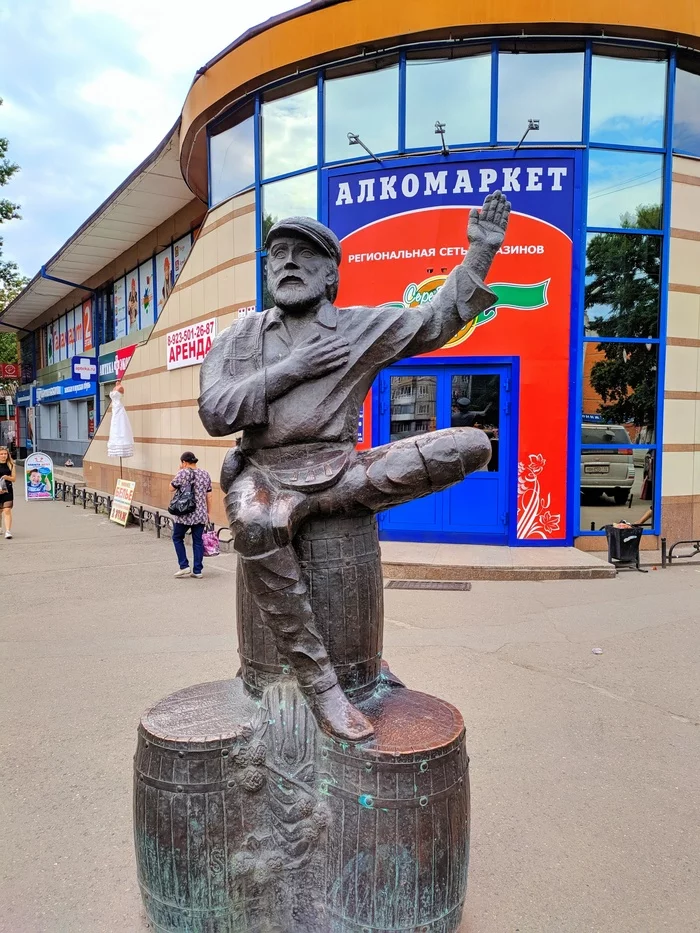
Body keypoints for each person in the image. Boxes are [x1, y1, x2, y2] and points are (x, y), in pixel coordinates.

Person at [200, 192, 510, 741]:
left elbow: (435, 321)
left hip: (342, 471)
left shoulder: (358, 328)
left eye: (305, 254)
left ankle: (323, 502)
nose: (288, 262)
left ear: (330, 277)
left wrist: (480, 255)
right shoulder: (239, 337)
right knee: (253, 524)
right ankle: (322, 687)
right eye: (279, 254)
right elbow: (216, 413)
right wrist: (290, 370)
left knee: (471, 446)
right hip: (265, 473)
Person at [170, 452, 212, 578]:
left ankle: (184, 566)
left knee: (177, 537)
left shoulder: (183, 473)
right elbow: (209, 495)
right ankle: (198, 571)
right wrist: (208, 512)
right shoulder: (205, 474)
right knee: (198, 541)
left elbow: (170, 488)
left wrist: (179, 471)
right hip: (200, 514)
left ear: (184, 462)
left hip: (184, 514)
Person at [107, 379, 134, 458]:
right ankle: (116, 445)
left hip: (119, 409)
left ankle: (121, 445)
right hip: (115, 409)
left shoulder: (121, 388)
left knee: (121, 426)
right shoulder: (114, 388)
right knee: (115, 428)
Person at [0, 446, 16, 538]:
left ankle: (8, 531)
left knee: (7, 510)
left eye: (5, 454)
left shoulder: (11, 465)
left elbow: (14, 479)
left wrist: (7, 477)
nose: (3, 456)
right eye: (1, 454)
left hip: (8, 490)